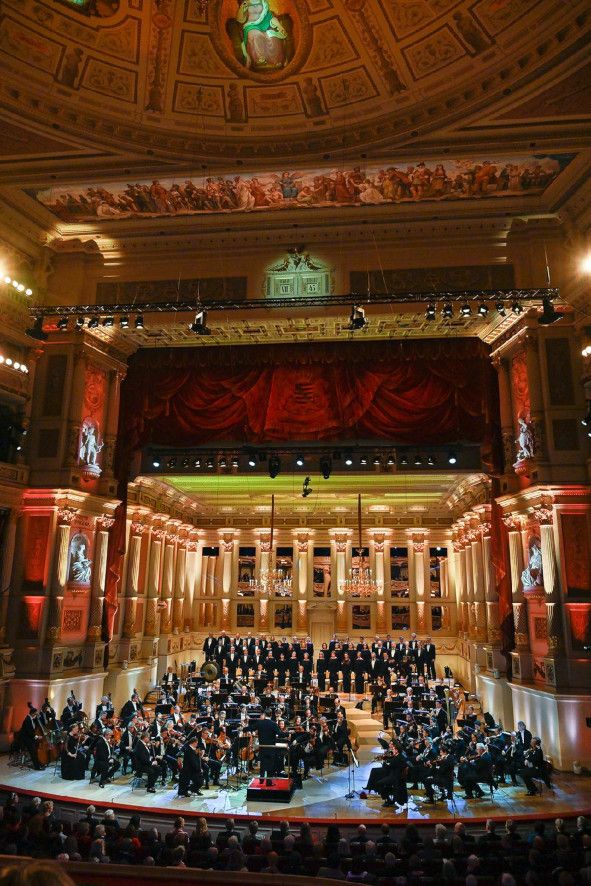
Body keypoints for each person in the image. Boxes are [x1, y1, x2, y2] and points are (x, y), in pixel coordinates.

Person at [255, 708, 281, 781]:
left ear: (265, 714)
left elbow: (252, 728)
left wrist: (243, 729)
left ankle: (261, 780)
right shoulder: (273, 724)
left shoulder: (260, 723)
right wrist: (289, 733)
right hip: (270, 748)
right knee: (270, 765)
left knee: (262, 764)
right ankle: (269, 782)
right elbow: (280, 734)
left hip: (262, 747)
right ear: (271, 715)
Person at [19, 705, 44, 770]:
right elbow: (29, 732)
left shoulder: (32, 718)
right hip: (25, 739)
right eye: (35, 713)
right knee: (33, 752)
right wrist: (37, 737)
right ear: (32, 713)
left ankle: (39, 763)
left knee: (35, 751)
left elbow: (38, 720)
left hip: (30, 738)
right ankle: (37, 767)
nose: (36, 714)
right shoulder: (27, 720)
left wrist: (39, 715)